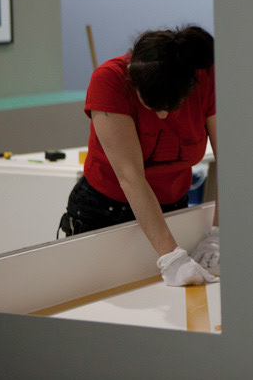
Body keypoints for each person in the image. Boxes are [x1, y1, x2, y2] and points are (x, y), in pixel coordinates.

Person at [59, 25, 220, 286]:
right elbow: (130, 176)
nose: (163, 117)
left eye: (172, 107)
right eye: (153, 106)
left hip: (173, 207)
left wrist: (218, 233)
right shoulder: (109, 80)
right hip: (107, 210)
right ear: (133, 85)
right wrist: (171, 257)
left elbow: (232, 162)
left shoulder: (204, 77)